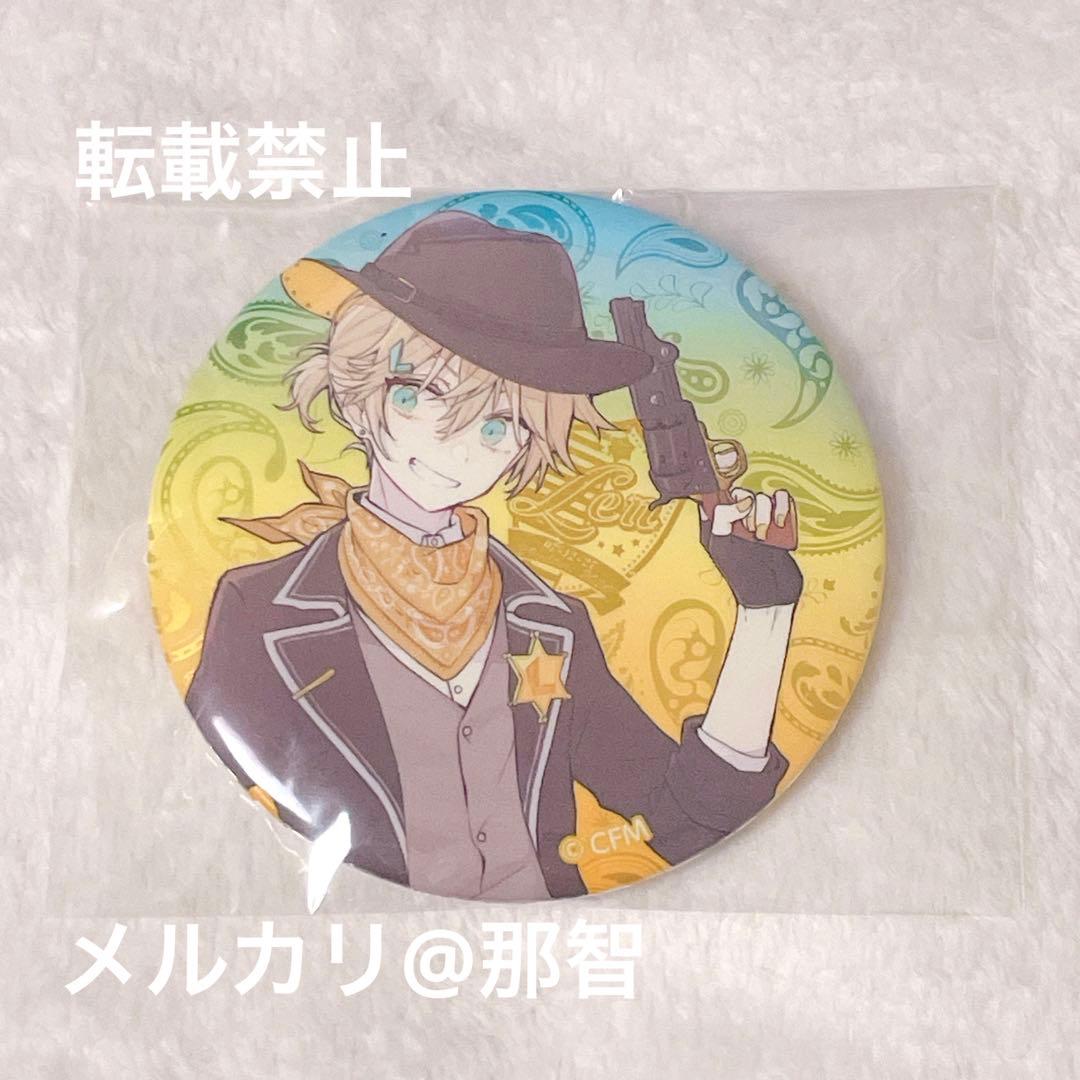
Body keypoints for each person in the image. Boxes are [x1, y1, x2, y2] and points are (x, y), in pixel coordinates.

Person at [185, 210, 803, 901]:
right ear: (356, 399)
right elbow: (209, 810)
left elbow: (686, 818)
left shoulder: (552, 623)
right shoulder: (259, 613)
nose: (454, 443)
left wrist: (766, 614)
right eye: (418, 394)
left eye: (500, 422)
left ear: (528, 442)